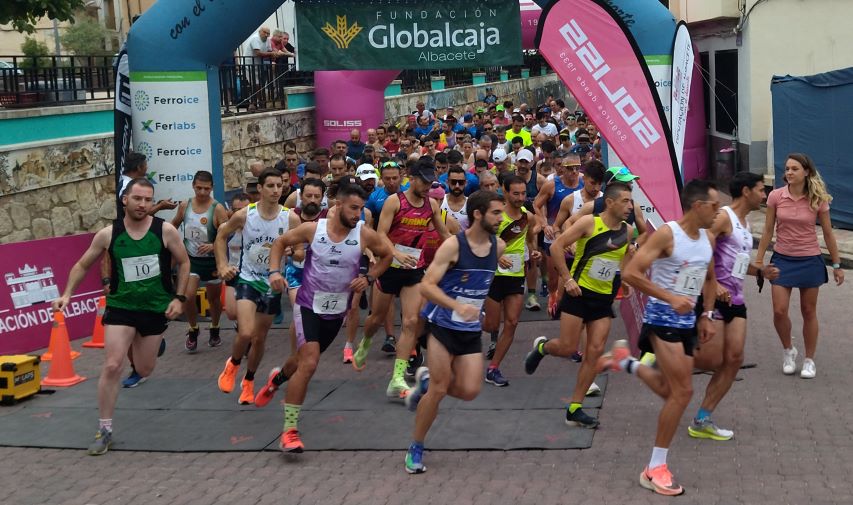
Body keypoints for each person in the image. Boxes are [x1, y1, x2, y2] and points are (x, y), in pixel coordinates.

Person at [52, 178, 190, 455]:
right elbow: (82, 264)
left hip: (155, 308)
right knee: (113, 365)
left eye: (148, 199)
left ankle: (150, 344)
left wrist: (179, 297)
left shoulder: (165, 231)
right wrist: (66, 294)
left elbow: (185, 262)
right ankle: (104, 430)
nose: (143, 204)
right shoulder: (108, 234)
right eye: (137, 198)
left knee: (144, 368)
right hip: (121, 307)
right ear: (124, 199)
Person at [253, 182, 394, 452]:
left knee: (299, 361)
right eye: (353, 208)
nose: (357, 214)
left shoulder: (364, 234)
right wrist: (274, 271)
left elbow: (387, 255)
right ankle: (290, 431)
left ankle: (277, 380)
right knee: (310, 363)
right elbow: (281, 242)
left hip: (335, 312)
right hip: (307, 306)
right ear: (338, 205)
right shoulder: (313, 230)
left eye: (361, 209)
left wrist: (369, 277)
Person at [610, 179, 720, 496]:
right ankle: (654, 468)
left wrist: (707, 314)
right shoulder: (668, 234)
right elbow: (631, 273)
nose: (718, 212)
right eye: (714, 206)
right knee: (683, 392)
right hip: (661, 318)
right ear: (698, 207)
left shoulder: (708, 238)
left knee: (669, 391)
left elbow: (709, 279)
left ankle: (627, 363)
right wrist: (669, 297)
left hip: (687, 321)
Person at [403, 190, 506, 474]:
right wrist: (456, 305)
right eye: (496, 213)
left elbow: (477, 283)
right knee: (439, 388)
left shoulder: (499, 248)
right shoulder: (453, 246)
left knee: (471, 390)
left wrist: (476, 308)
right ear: (478, 213)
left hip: (469, 330)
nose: (501, 218)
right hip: (442, 325)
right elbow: (426, 285)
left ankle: (424, 384)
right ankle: (416, 447)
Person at [523, 182, 635, 427]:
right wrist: (567, 279)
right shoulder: (589, 223)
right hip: (578, 294)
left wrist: (624, 279)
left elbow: (623, 257)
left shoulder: (627, 231)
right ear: (610, 202)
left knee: (593, 354)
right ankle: (542, 348)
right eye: (625, 201)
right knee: (567, 347)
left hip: (603, 299)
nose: (630, 206)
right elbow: (556, 246)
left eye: (631, 201)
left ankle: (575, 407)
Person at [688, 172, 780, 441]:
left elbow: (737, 263)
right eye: (761, 190)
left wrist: (760, 272)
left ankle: (703, 418)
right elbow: (703, 248)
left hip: (737, 301)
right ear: (746, 191)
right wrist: (714, 284)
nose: (764, 195)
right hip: (715, 298)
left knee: (734, 359)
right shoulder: (723, 217)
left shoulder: (745, 223)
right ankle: (663, 351)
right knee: (710, 359)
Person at [353, 158, 450, 399]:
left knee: (410, 322)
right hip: (390, 266)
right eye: (424, 182)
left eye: (431, 183)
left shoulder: (432, 205)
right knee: (375, 319)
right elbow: (381, 233)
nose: (428, 187)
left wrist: (470, 251)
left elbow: (445, 233)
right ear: (412, 178)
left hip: (414, 268)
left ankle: (397, 378)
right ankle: (364, 343)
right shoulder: (394, 201)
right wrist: (394, 252)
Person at [755, 153, 843, 378]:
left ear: (806, 172)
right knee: (779, 310)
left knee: (808, 311)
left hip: (810, 260)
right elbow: (767, 230)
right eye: (787, 169)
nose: (789, 172)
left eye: (794, 168)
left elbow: (828, 233)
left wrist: (836, 264)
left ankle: (809, 360)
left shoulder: (817, 198)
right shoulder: (776, 196)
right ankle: (788, 350)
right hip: (782, 259)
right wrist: (759, 259)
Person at [214, 169, 288, 405]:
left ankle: (249, 380)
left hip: (272, 284)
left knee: (259, 339)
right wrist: (223, 264)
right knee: (245, 332)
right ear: (260, 189)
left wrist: (293, 251)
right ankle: (233, 364)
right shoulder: (246, 215)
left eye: (279, 186)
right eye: (271, 186)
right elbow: (220, 236)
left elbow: (300, 249)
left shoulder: (290, 218)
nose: (276, 190)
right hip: (247, 278)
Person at [483, 176, 540, 386]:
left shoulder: (528, 216)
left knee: (512, 322)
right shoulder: (496, 217)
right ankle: (463, 320)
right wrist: (498, 256)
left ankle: (493, 368)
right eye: (515, 193)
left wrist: (534, 253)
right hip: (493, 276)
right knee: (490, 324)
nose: (520, 198)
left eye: (523, 193)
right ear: (505, 192)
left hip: (516, 275)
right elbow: (481, 243)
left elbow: (529, 240)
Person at [171, 171, 228, 352]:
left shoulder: (217, 208)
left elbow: (226, 233)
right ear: (193, 186)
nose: (202, 192)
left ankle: (215, 327)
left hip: (212, 262)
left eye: (206, 189)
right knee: (188, 296)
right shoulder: (185, 205)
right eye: (199, 188)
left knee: (213, 298)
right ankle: (193, 329)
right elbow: (173, 225)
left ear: (212, 188)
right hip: (191, 260)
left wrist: (213, 245)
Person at [534, 155, 584, 317]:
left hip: (576, 236)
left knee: (576, 272)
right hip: (554, 236)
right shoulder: (552, 185)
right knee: (554, 277)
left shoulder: (585, 183)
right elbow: (536, 204)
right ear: (562, 168)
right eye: (570, 168)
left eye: (577, 168)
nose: (574, 172)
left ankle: (571, 306)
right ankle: (552, 296)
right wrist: (544, 224)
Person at [222, 193, 251, 322]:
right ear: (231, 211)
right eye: (236, 210)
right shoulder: (227, 229)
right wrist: (222, 266)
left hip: (252, 274)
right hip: (233, 273)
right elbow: (219, 246)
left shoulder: (258, 228)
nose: (240, 214)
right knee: (232, 313)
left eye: (244, 210)